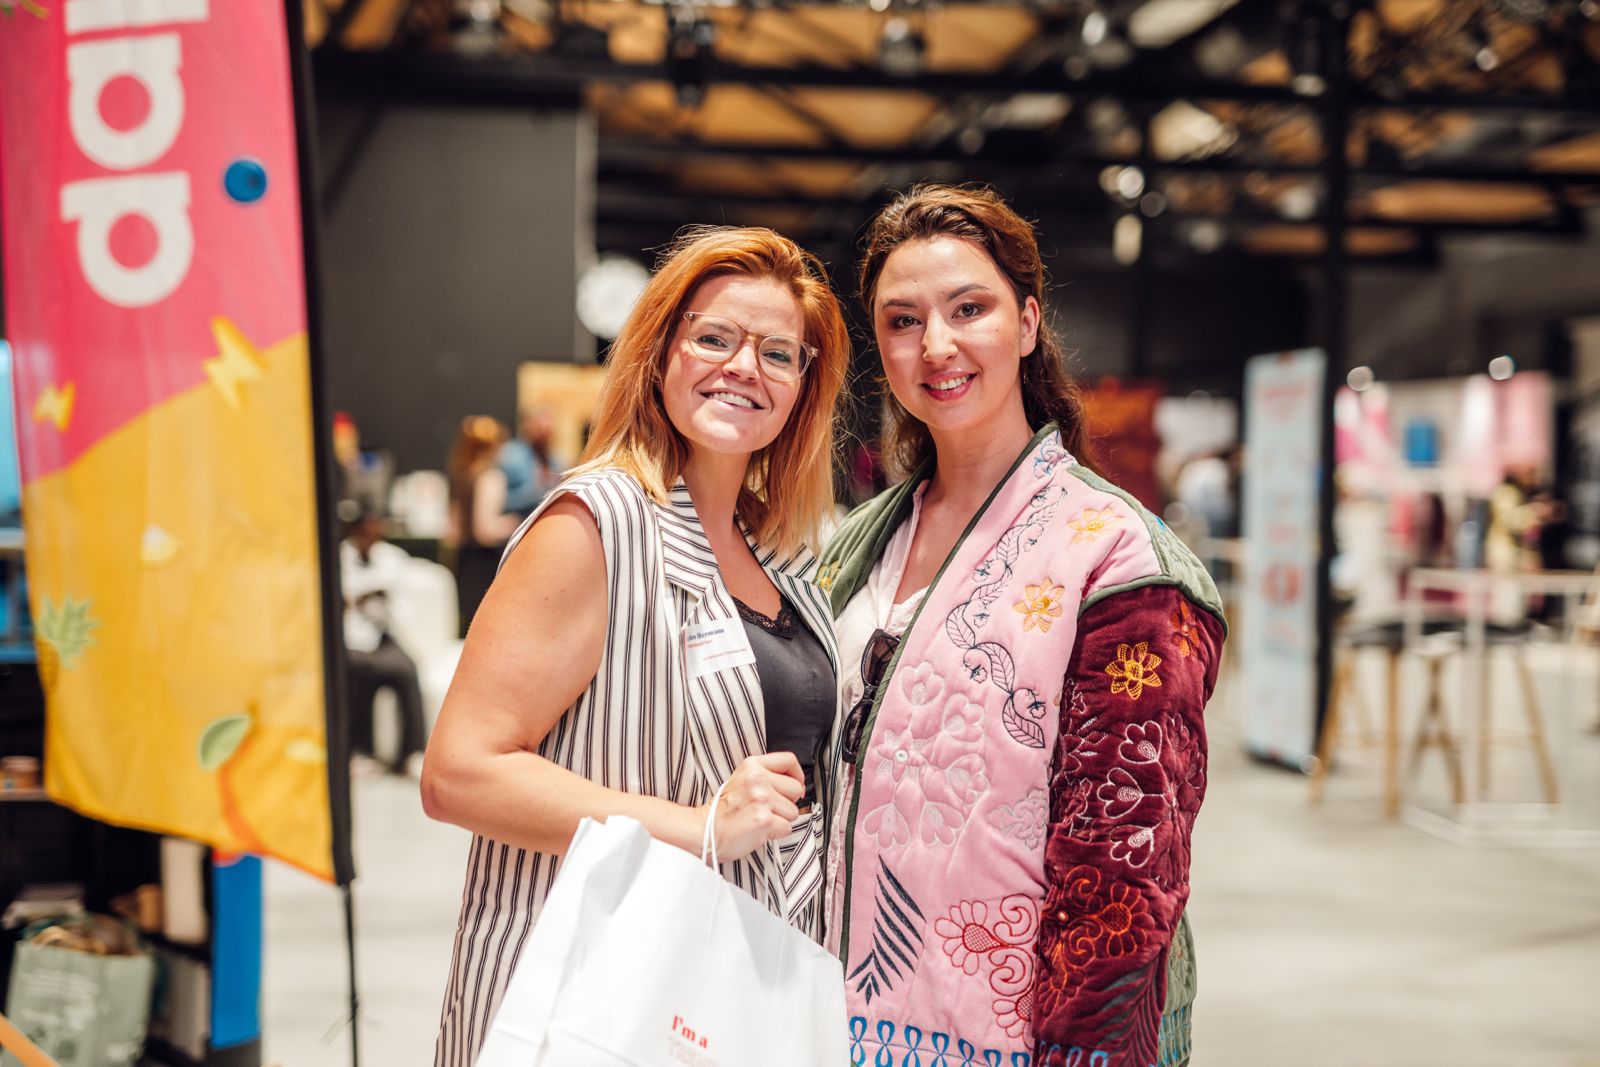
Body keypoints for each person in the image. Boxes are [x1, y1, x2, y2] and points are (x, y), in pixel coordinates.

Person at [421, 226, 851, 1067]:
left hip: (727, 991)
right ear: (661, 354)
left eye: (778, 353)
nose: (743, 367)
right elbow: (459, 771)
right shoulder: (597, 524)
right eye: (714, 337)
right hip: (599, 993)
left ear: (805, 386)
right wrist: (695, 826)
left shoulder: (780, 553)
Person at [817, 185, 1226, 1067]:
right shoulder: (864, 541)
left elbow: (1125, 870)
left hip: (1014, 1042)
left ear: (1029, 321)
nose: (937, 345)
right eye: (902, 319)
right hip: (839, 1015)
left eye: (970, 308)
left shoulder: (1119, 558)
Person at [340, 508, 428, 775]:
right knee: (360, 671)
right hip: (352, 638)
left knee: (406, 669)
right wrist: (357, 599)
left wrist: (384, 602)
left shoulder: (393, 559)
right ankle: (362, 750)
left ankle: (411, 752)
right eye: (366, 532)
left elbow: (405, 607)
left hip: (385, 633)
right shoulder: (339, 557)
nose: (372, 538)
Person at [443, 415, 522, 635]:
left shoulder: (461, 476)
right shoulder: (491, 477)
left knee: (467, 624)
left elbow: (452, 531)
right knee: (486, 627)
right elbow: (485, 530)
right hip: (485, 562)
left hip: (464, 560)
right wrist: (513, 524)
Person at [497, 402, 564, 517]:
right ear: (527, 424)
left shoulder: (556, 459)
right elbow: (498, 500)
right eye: (541, 422)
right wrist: (537, 492)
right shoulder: (510, 455)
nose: (547, 427)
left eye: (550, 421)